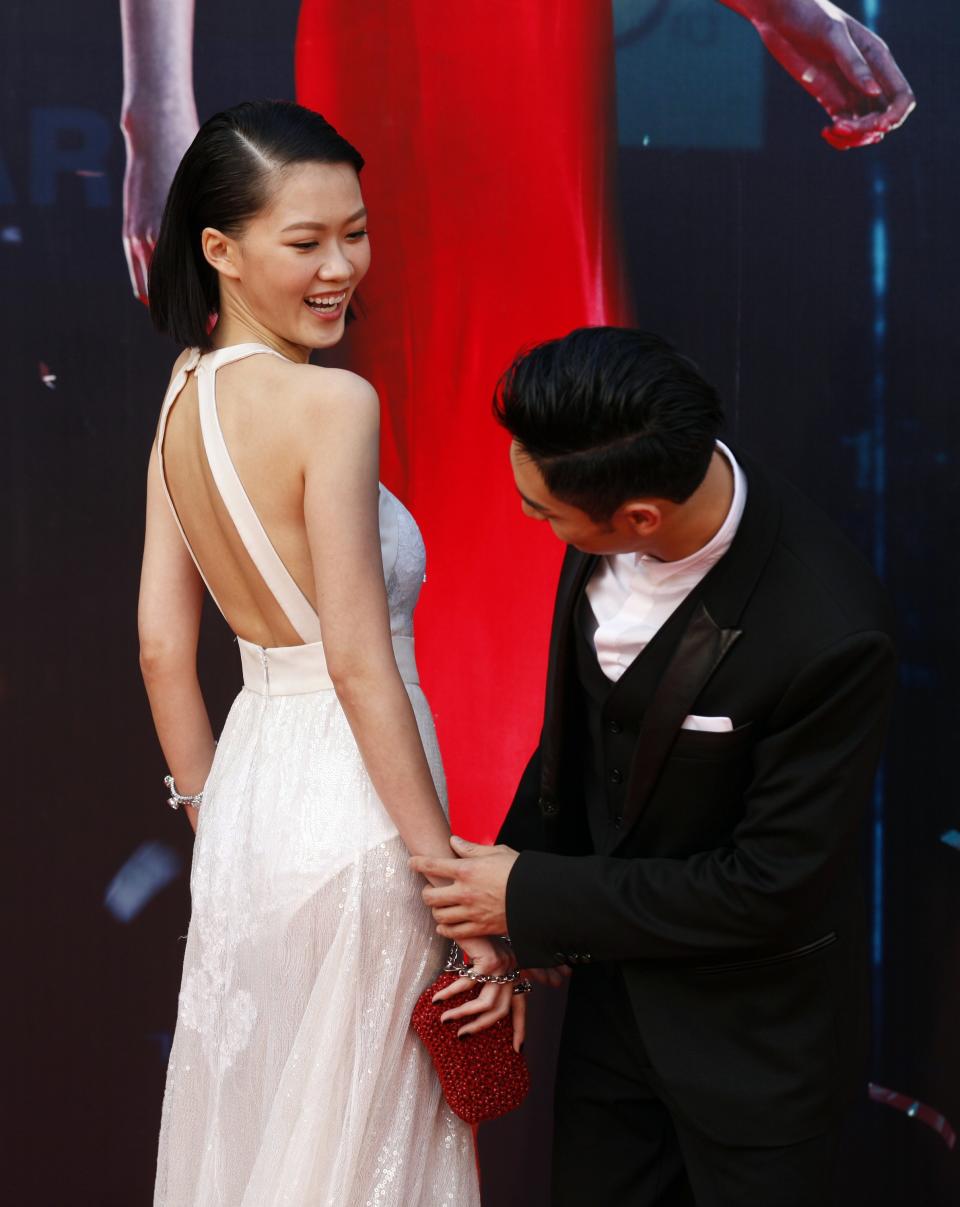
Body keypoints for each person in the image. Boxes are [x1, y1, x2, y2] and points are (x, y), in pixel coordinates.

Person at [120, 0, 915, 843]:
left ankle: (510, 890)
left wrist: (216, 831)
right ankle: (494, 892)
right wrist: (156, 112)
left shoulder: (194, 391)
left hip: (536, 45)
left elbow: (162, 649)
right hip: (397, 39)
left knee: (545, 469)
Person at [413, 326, 897, 1205]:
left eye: (546, 511)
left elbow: (766, 885)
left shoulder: (831, 630)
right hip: (610, 1028)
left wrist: (531, 894)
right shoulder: (598, 507)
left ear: (639, 519)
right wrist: (512, 934)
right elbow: (579, 750)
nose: (531, 518)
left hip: (755, 1059)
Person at [137, 98, 519, 1206]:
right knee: (360, 1153)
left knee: (264, 1137)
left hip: (254, 806)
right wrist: (455, 893)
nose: (341, 265)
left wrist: (219, 814)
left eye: (356, 231)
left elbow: (165, 647)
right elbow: (359, 662)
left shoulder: (183, 395)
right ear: (220, 249)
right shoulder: (332, 403)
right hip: (358, 814)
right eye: (305, 242)